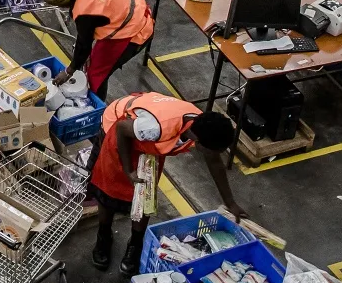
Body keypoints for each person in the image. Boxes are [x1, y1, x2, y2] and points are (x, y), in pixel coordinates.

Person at [88, 93, 242, 273]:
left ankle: (135, 244)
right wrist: (128, 169)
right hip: (117, 129)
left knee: (146, 195)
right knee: (108, 192)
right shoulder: (158, 128)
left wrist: (230, 203)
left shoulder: (204, 127)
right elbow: (122, 128)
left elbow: (215, 162)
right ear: (198, 143)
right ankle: (104, 236)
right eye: (214, 150)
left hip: (146, 142)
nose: (216, 154)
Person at [53, 0, 156, 99]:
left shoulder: (85, 12)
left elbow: (84, 45)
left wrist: (69, 71)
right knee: (92, 61)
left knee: (96, 74)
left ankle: (96, 108)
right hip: (135, 12)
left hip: (135, 32)